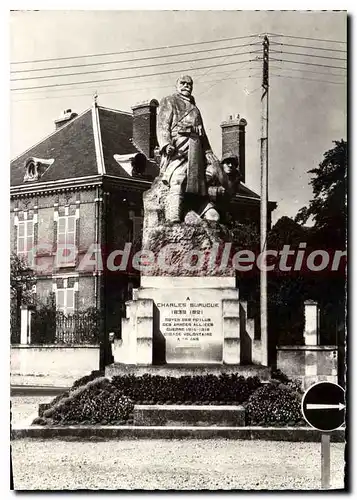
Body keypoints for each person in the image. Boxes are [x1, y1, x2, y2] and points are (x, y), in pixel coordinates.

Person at [157, 75, 220, 222]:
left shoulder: (195, 109)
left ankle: (195, 209)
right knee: (177, 177)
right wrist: (166, 144)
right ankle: (173, 215)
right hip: (178, 145)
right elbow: (162, 125)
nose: (186, 86)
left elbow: (202, 132)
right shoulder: (169, 101)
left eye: (189, 84)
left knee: (197, 180)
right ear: (177, 85)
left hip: (195, 147)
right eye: (183, 83)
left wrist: (208, 151)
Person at [199, 152, 241, 222]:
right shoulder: (213, 170)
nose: (230, 165)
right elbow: (200, 188)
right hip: (206, 203)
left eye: (233, 164)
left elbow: (232, 195)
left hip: (222, 206)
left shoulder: (236, 178)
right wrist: (216, 190)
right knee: (214, 217)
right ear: (223, 164)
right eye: (228, 163)